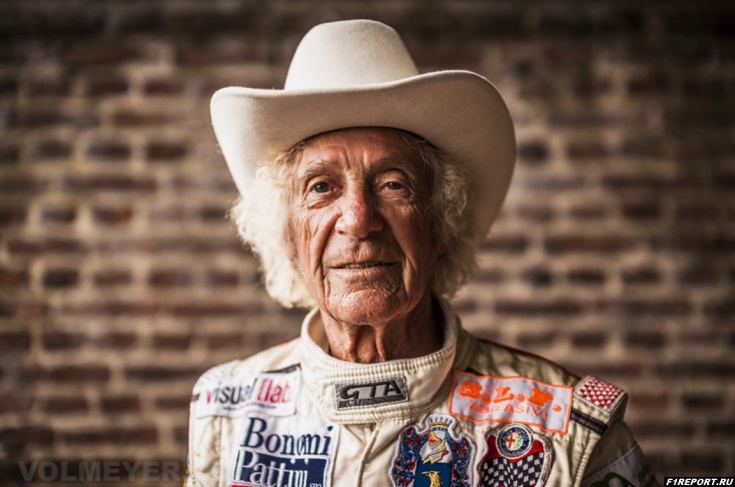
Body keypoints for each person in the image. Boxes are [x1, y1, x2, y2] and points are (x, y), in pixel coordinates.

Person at [186, 19, 657, 487]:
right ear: (290, 237)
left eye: (393, 184)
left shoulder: (573, 433)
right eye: (321, 187)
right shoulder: (224, 411)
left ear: (441, 225)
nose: (358, 219)